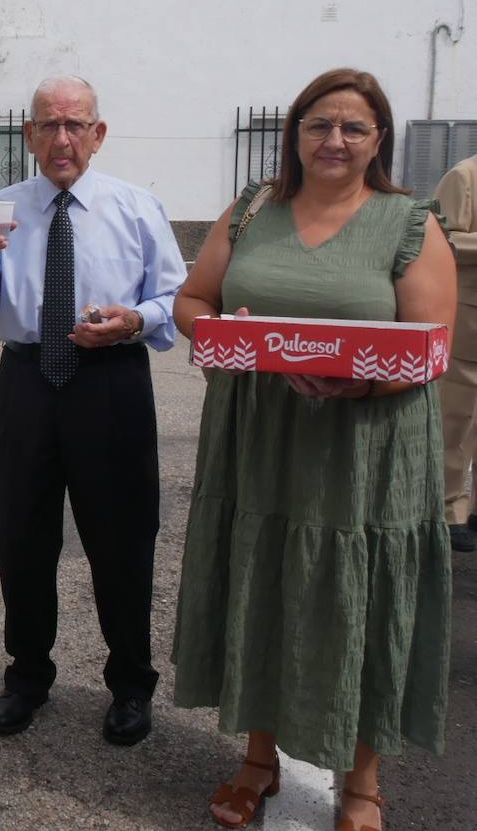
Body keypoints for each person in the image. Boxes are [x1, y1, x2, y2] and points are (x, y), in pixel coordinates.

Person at [172, 68, 453, 831]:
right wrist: (231, 337)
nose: (334, 139)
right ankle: (259, 760)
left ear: (378, 141)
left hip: (364, 449)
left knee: (356, 597)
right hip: (260, 436)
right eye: (318, 124)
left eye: (353, 127)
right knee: (263, 582)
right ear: (295, 134)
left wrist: (355, 385)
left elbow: (431, 347)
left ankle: (362, 784)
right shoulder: (251, 210)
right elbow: (192, 302)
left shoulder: (408, 223)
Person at [0, 74, 185, 747]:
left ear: (98, 134)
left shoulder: (137, 208)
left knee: (123, 538)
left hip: (109, 382)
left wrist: (134, 318)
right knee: (22, 537)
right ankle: (26, 675)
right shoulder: (1, 209)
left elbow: (175, 301)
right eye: (48, 124)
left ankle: (132, 684)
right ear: (28, 135)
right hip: (26, 381)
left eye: (75, 124)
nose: (62, 138)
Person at [433, 152, 477, 551]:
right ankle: (449, 509)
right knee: (456, 421)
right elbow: (442, 237)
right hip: (468, 322)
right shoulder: (465, 176)